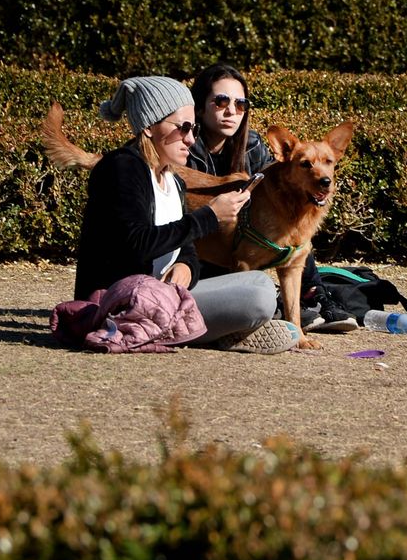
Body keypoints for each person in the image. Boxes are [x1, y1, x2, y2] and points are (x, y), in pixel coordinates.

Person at [74, 75, 300, 355]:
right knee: (258, 298)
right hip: (119, 301)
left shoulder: (172, 180)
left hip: (166, 295)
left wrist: (185, 267)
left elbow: (187, 251)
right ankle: (209, 333)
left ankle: (208, 330)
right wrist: (209, 216)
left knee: (261, 284)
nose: (191, 139)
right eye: (182, 128)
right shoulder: (121, 168)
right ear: (148, 127)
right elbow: (135, 244)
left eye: (192, 128)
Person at [187, 63, 358, 332]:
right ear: (199, 106)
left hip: (248, 245)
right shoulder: (182, 146)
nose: (232, 110)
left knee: (296, 239)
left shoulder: (253, 144)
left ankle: (314, 299)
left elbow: (281, 180)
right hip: (198, 254)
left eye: (241, 104)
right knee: (279, 240)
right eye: (221, 101)